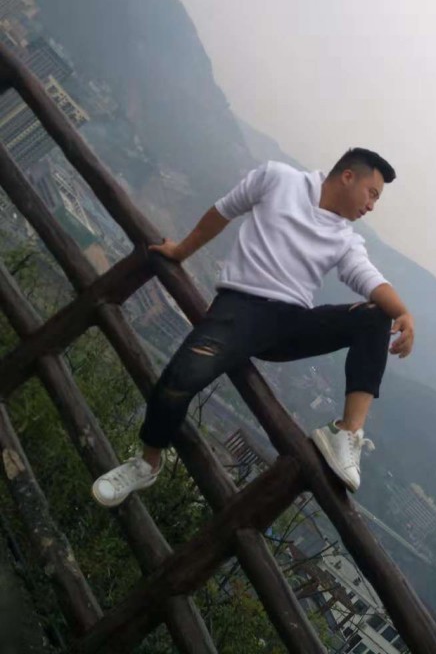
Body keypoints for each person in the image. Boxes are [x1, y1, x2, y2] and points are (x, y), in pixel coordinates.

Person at [92, 148, 415, 507]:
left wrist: (403, 313)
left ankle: (347, 433)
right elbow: (224, 210)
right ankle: (147, 464)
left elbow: (368, 278)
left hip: (290, 324)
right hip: (239, 310)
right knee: (177, 381)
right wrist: (181, 251)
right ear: (348, 176)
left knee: (376, 316)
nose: (371, 206)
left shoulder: (345, 238)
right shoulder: (278, 179)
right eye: (372, 193)